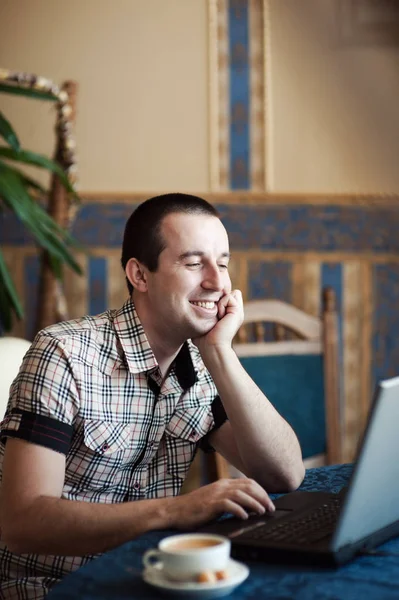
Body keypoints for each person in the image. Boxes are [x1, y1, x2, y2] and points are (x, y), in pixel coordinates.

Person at [0, 193, 304, 598]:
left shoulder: (201, 362)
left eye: (224, 262)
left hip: (149, 580)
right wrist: (176, 510)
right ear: (140, 275)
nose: (217, 281)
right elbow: (22, 523)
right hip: (49, 588)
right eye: (195, 263)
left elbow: (283, 474)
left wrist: (220, 354)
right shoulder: (64, 354)